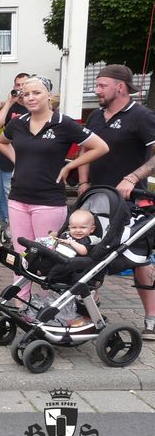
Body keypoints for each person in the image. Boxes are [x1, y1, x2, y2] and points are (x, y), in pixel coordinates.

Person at [0, 75, 108, 297]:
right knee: (21, 257)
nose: (30, 98)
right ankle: (22, 306)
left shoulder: (64, 123)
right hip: (18, 199)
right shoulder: (18, 123)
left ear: (49, 95)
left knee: (49, 258)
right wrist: (18, 162)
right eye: (26, 94)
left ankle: (49, 308)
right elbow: (2, 142)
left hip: (48, 202)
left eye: (36, 93)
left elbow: (101, 147)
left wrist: (70, 166)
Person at [77, 64, 155, 341]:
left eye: (101, 86)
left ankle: (151, 319)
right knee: (91, 252)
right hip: (97, 199)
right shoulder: (95, 117)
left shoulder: (142, 116)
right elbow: (85, 150)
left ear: (120, 87)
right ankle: (91, 314)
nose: (96, 90)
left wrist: (132, 178)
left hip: (131, 202)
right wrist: (83, 182)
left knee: (139, 259)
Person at [0, 72, 29, 231]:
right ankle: (11, 229)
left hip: (31, 162)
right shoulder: (10, 106)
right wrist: (9, 102)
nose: (20, 88)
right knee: (9, 197)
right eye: (18, 85)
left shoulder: (35, 105)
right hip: (9, 162)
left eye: (24, 85)